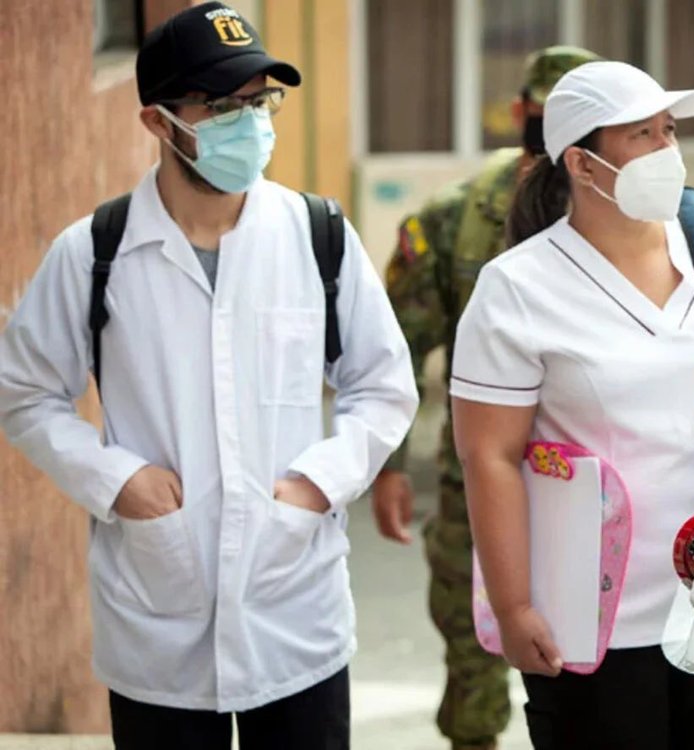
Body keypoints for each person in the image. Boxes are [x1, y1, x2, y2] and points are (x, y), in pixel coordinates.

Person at [0, 4, 418, 749]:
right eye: (223, 106)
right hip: (158, 619)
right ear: (158, 122)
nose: (249, 124)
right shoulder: (94, 252)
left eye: (260, 102)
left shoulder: (317, 235)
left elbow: (383, 384)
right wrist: (113, 479)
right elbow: (24, 391)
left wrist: (321, 481)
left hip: (294, 613)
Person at [450, 61, 694, 749]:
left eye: (668, 130)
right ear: (583, 166)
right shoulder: (518, 288)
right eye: (640, 135)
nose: (665, 151)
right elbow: (488, 455)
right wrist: (514, 603)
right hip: (596, 623)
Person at [372, 45, 599, 750]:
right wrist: (386, 466)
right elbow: (398, 347)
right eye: (546, 121)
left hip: (597, 491)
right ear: (521, 115)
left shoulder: (634, 219)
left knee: (597, 673)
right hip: (476, 485)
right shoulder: (453, 218)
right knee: (474, 662)